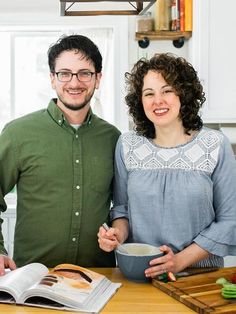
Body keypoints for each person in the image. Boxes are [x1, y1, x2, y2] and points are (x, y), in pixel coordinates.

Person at [98, 53, 236, 279]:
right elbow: (122, 210)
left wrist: (179, 261)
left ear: (184, 93)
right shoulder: (128, 145)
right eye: (148, 93)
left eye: (167, 90)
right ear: (139, 101)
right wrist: (116, 236)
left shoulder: (215, 145)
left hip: (199, 277)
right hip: (140, 275)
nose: (157, 101)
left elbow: (229, 221)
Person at [0, 34, 120, 275]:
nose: (74, 82)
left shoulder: (113, 138)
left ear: (98, 78)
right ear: (52, 79)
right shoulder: (18, 133)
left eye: (85, 73)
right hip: (32, 278)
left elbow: (123, 207)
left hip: (98, 276)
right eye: (65, 73)